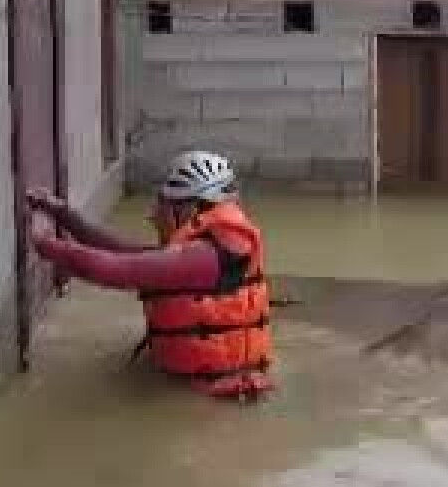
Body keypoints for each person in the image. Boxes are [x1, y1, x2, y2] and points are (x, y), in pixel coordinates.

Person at [27, 150, 274, 400]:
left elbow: (112, 270)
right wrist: (61, 213)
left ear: (188, 209)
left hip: (205, 401)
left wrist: (44, 243)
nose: (153, 215)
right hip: (205, 387)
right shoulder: (212, 249)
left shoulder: (202, 257)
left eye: (163, 205)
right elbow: (120, 251)